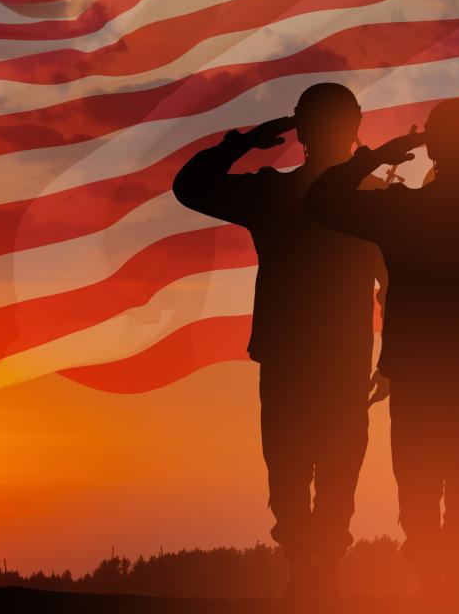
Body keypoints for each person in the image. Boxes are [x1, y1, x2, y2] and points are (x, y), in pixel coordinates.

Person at [304, 98, 459, 596]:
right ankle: (448, 586)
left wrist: (383, 153)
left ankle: (436, 586)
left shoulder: (403, 210)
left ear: (432, 146)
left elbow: (322, 200)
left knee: (419, 485)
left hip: (418, 372)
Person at [171, 83, 398, 600]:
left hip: (305, 353)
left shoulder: (275, 194)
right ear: (354, 124)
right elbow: (393, 285)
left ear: (301, 129)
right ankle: (314, 566)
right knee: (320, 461)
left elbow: (191, 186)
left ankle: (310, 565)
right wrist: (391, 356)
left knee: (297, 460)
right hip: (328, 353)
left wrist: (246, 143)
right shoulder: (364, 200)